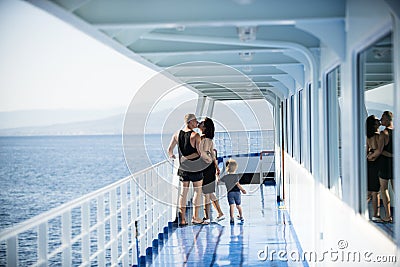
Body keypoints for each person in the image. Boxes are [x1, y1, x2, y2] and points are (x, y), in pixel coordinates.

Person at [167, 113, 207, 225]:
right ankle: (195, 217)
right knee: (197, 192)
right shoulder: (195, 135)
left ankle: (183, 219)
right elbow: (200, 153)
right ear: (189, 122)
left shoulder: (176, 134)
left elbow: (169, 150)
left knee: (183, 193)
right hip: (196, 168)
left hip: (183, 168)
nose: (196, 122)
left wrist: (173, 157)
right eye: (195, 121)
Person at [198, 117, 225, 223]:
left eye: (201, 123)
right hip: (210, 168)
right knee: (209, 193)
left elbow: (203, 153)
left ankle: (207, 217)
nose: (199, 124)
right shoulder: (209, 139)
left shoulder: (203, 138)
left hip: (205, 167)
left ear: (204, 128)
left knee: (206, 193)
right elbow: (212, 154)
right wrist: (216, 166)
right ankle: (219, 213)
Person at [366, 115, 383, 222]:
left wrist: (367, 158)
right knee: (375, 191)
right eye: (377, 120)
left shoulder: (368, 136)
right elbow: (379, 151)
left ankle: (359, 210)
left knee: (369, 190)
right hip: (377, 161)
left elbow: (367, 149)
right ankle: (376, 215)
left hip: (369, 162)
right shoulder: (378, 136)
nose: (379, 120)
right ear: (374, 124)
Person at [220, 159, 247, 224]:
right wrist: (242, 190)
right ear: (235, 168)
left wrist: (217, 175)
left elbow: (219, 181)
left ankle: (231, 218)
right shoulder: (236, 176)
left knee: (231, 205)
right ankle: (241, 216)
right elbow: (237, 184)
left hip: (230, 193)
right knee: (238, 205)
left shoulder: (225, 177)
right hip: (237, 193)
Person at [379, 111, 394, 223]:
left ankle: (388, 216)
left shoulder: (383, 133)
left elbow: (379, 151)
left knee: (384, 190)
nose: (381, 120)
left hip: (384, 164)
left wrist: (370, 155)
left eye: (383, 118)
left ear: (388, 119)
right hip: (395, 164)